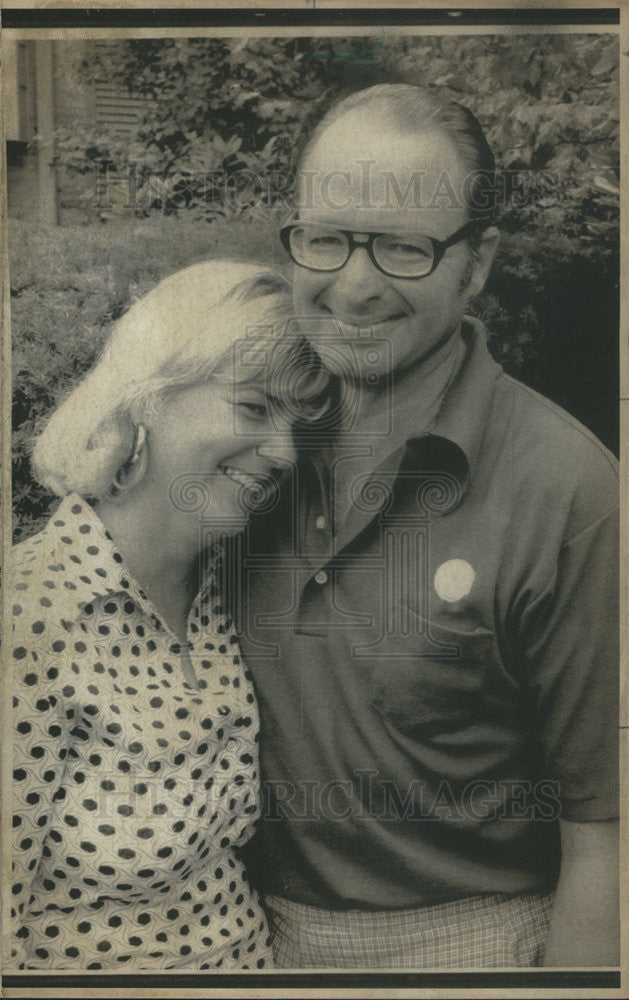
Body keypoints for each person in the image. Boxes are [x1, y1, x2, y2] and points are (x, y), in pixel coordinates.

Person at [238, 85, 619, 968]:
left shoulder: (570, 493)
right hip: (240, 943)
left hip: (476, 948)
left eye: (403, 248)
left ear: (475, 263)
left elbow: (607, 831)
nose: (355, 287)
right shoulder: (240, 451)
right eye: (326, 239)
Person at [9, 259, 326, 970]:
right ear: (147, 397)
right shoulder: (29, 614)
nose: (283, 452)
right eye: (253, 408)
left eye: (296, 424)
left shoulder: (225, 589)